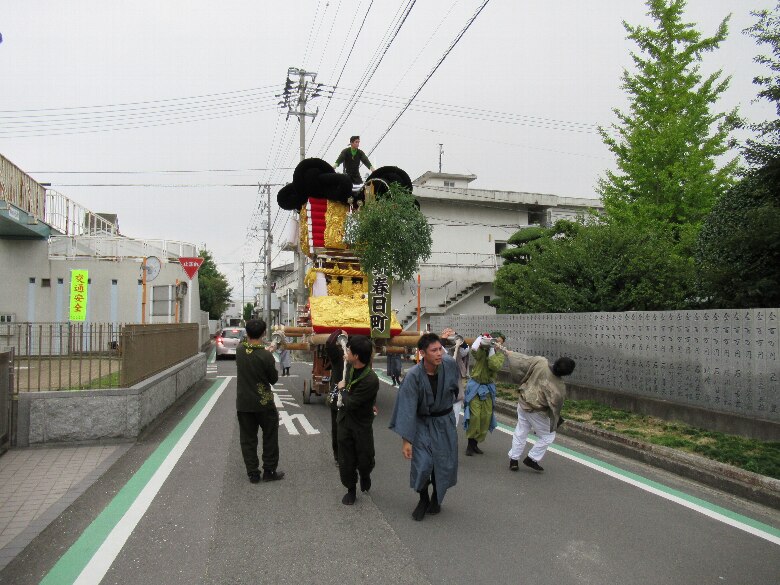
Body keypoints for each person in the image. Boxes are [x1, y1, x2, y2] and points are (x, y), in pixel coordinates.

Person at [389, 333, 459, 521]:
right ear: (422, 353)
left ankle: (436, 496)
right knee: (422, 463)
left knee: (443, 463)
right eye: (434, 350)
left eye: (440, 349)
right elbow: (406, 408)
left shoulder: (449, 364)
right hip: (422, 422)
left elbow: (456, 387)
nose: (439, 354)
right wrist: (406, 441)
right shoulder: (413, 376)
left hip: (444, 421)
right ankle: (423, 498)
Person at [505, 351, 576, 472]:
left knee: (521, 431)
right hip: (536, 411)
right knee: (548, 436)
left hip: (523, 401)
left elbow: (522, 360)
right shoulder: (559, 387)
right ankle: (532, 458)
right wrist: (556, 419)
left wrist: (509, 353)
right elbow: (555, 407)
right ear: (567, 373)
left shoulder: (541, 362)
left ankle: (514, 460)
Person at [235, 319, 284, 483]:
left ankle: (253, 473)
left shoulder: (240, 350)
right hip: (264, 404)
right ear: (264, 333)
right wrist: (270, 352)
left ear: (247, 333)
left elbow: (249, 348)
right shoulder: (266, 356)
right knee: (270, 437)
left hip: (244, 403)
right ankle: (269, 471)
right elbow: (273, 379)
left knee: (247, 439)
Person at [336, 335, 380, 505]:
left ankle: (365, 474)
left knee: (365, 458)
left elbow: (351, 403)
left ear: (356, 356)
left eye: (349, 350)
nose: (346, 352)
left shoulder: (371, 379)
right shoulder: (349, 366)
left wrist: (342, 390)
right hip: (345, 421)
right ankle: (351, 489)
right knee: (346, 459)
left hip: (361, 424)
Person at [463, 331, 507, 456]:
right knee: (475, 416)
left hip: (488, 389)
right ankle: (470, 444)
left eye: (500, 343)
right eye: (495, 341)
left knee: (485, 417)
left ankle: (475, 443)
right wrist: (482, 342)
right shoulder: (482, 350)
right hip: (475, 387)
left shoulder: (500, 355)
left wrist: (492, 350)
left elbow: (494, 366)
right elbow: (474, 352)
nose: (497, 344)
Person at [324, 330, 345, 463]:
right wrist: (339, 331)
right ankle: (338, 455)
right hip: (337, 396)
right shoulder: (338, 357)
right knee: (337, 428)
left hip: (353, 398)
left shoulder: (357, 360)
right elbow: (329, 344)